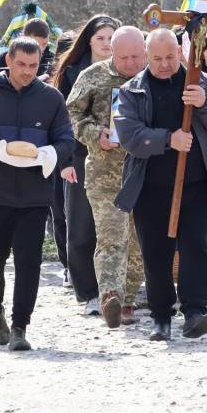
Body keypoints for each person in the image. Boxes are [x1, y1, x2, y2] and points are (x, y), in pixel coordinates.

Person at [0, 36, 76, 352]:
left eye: (33, 66)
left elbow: (67, 140)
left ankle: (21, 325)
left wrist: (51, 153)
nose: (27, 71)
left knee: (29, 261)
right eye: (21, 64)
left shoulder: (51, 99)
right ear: (8, 61)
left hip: (35, 195)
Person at [115, 28, 207, 342]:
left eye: (170, 57)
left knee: (197, 246)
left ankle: (195, 312)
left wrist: (205, 103)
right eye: (157, 58)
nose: (165, 64)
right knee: (156, 253)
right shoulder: (132, 90)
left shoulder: (202, 82)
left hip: (197, 184)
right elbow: (129, 136)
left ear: (180, 53)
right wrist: (169, 140)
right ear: (146, 58)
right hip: (150, 187)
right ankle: (161, 317)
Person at [66, 25, 148, 328]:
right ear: (111, 50)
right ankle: (111, 296)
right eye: (124, 57)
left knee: (139, 241)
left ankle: (128, 301)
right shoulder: (93, 76)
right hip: (105, 174)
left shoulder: (155, 74)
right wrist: (95, 134)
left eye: (137, 57)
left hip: (147, 173)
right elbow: (73, 115)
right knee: (112, 238)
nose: (131, 64)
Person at [53, 14, 118, 314]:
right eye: (101, 38)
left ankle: (116, 290)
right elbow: (62, 120)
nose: (106, 44)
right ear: (89, 40)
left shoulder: (128, 70)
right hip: (78, 157)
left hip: (119, 160)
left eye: (111, 38)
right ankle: (87, 292)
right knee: (80, 227)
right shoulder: (71, 73)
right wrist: (65, 161)